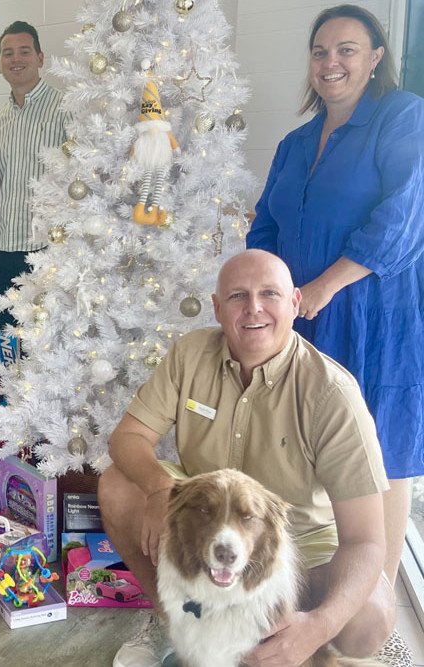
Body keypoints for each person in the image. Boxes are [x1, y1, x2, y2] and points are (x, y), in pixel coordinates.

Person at [100, 250, 404, 667]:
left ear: (295, 303)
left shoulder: (331, 393)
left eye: (270, 294)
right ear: (218, 308)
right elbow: (129, 437)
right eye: (238, 296)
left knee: (368, 619)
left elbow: (367, 541)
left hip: (301, 546)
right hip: (207, 522)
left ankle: (290, 635)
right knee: (118, 484)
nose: (254, 308)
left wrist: (318, 625)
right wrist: (158, 487)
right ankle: (176, 620)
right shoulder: (190, 355)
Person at [247, 4, 424, 598]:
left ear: (375, 59)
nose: (331, 62)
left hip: (375, 317)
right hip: (298, 319)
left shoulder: (403, 117)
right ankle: (304, 588)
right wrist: (264, 298)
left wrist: (325, 286)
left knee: (379, 454)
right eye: (321, 51)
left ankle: (369, 602)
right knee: (305, 447)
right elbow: (265, 228)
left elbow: (400, 221)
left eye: (347, 49)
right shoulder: (295, 142)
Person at [0, 20, 68, 329]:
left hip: (47, 249)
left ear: (40, 58)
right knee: (10, 338)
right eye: (8, 53)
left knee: (48, 340)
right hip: (1, 247)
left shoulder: (65, 109)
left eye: (24, 51)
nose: (16, 59)